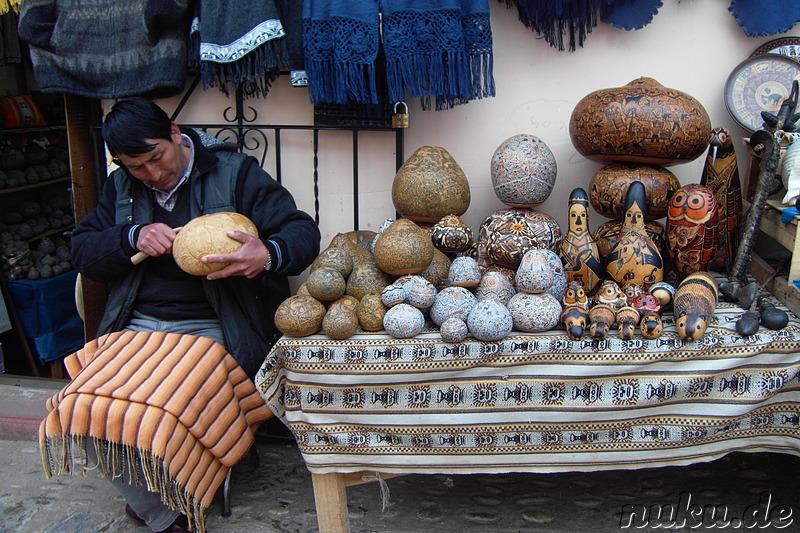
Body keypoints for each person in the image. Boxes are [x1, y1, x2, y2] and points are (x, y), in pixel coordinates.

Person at [69, 97, 320, 532]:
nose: (153, 174)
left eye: (156, 158)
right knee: (82, 408)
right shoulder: (122, 187)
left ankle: (163, 506)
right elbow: (82, 250)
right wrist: (131, 236)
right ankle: (161, 508)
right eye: (137, 167)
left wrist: (266, 254)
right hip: (137, 323)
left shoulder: (234, 173)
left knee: (164, 406)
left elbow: (301, 231)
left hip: (214, 323)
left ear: (174, 131)